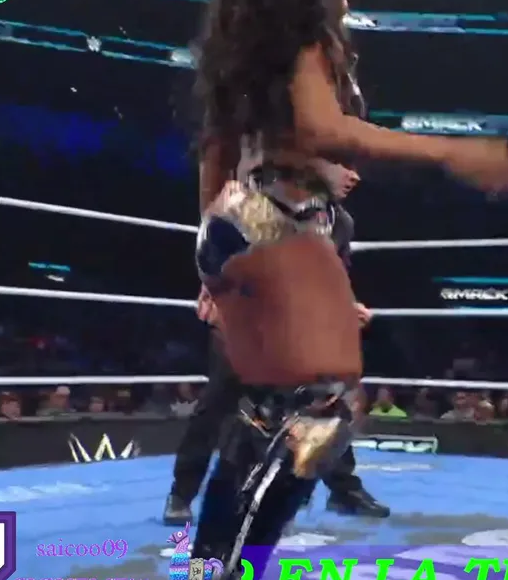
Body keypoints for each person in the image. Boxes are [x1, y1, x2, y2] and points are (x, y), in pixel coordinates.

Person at [181, 0, 508, 580]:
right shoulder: (304, 42)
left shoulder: (246, 53)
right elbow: (324, 129)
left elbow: (219, 158)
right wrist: (451, 152)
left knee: (264, 414)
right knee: (325, 413)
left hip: (240, 222)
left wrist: (212, 266)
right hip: (277, 224)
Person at [163, 160, 389, 526]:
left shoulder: (339, 222)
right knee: (219, 402)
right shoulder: (262, 201)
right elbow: (219, 246)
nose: (354, 175)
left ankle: (344, 490)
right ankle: (181, 493)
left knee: (327, 402)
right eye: (343, 165)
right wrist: (214, 291)